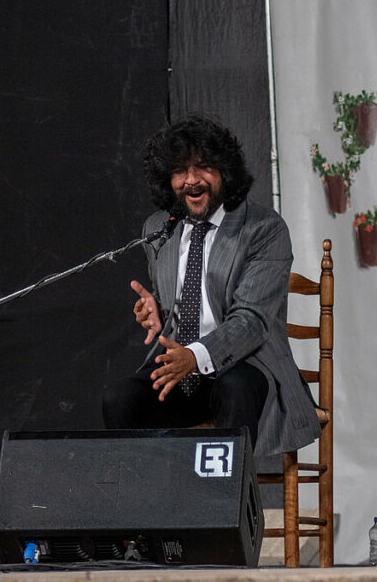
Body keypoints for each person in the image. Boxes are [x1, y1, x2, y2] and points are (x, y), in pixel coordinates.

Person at [102, 115, 321, 458]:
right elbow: (178, 298)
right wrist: (157, 311)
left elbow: (252, 321)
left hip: (245, 365)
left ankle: (227, 509)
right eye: (179, 170)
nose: (191, 179)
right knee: (120, 398)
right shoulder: (160, 227)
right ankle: (141, 506)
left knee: (235, 389)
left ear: (225, 171)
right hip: (179, 367)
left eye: (202, 167)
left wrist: (195, 356)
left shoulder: (264, 229)